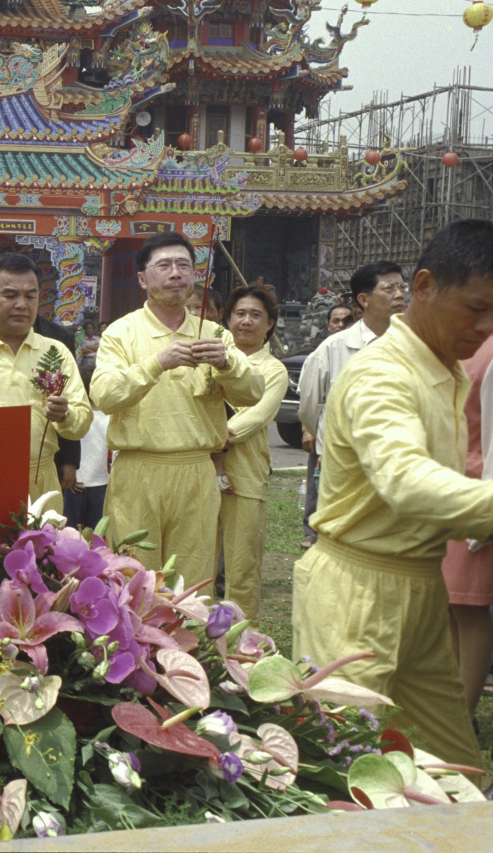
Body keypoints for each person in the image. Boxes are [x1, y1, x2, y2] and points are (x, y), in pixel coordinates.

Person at [291, 219, 493, 770]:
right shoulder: (383, 375)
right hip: (356, 591)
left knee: (453, 768)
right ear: (424, 287)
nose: (487, 327)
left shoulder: (444, 370)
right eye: (476, 308)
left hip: (420, 585)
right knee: (339, 766)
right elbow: (405, 480)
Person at [90, 232, 263, 583]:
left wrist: (229, 364)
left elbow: (252, 393)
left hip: (197, 470)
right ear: (142, 278)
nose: (176, 274)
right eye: (164, 265)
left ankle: (192, 638)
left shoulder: (214, 333)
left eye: (184, 265)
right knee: (132, 575)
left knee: (192, 578)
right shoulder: (122, 333)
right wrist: (156, 364)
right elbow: (104, 395)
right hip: (139, 469)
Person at [297, 262, 406, 549]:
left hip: (397, 462)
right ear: (363, 300)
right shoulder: (336, 347)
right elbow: (309, 405)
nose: (399, 295)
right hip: (340, 464)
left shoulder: (414, 344)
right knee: (340, 542)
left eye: (402, 287)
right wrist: (324, 441)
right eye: (389, 288)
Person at [0, 253, 92, 509]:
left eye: (30, 296)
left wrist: (65, 416)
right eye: (10, 295)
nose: (22, 305)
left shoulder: (56, 351)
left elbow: (81, 421)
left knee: (45, 549)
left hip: (41, 477)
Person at [215, 285, 287, 621]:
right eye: (240, 313)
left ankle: (242, 647)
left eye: (256, 315)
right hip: (200, 473)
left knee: (242, 568)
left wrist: (205, 437)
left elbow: (252, 419)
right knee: (196, 562)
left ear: (270, 323)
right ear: (227, 319)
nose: (246, 321)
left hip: (244, 477)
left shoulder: (273, 371)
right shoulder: (212, 360)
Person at [441, 335, 493, 727]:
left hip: (476, 489)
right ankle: (451, 703)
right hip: (447, 483)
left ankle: (463, 714)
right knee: (447, 604)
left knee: (470, 606)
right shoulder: (468, 341)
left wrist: (485, 514)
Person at [63, 371, 109, 531]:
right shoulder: (77, 416)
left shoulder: (74, 416)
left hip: (92, 483)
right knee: (94, 534)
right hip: (83, 482)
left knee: (72, 533)